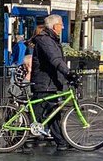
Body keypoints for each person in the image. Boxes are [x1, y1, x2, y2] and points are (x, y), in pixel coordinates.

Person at [30, 14, 73, 147]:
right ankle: (22, 138)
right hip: (45, 83)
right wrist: (68, 73)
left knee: (53, 113)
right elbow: (55, 59)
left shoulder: (51, 39)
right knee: (39, 113)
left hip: (50, 83)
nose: (63, 27)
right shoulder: (45, 40)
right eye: (61, 24)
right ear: (55, 26)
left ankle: (61, 141)